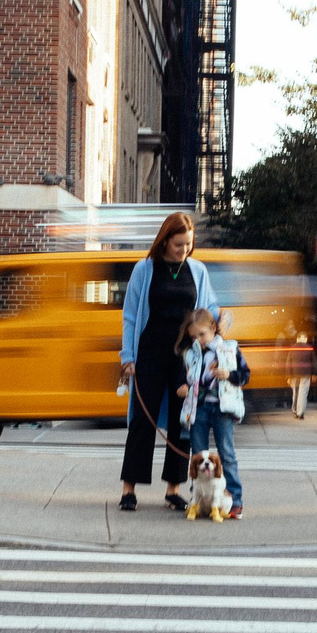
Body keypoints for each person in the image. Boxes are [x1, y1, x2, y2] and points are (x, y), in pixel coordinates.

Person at [118, 211, 217, 512]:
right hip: (149, 354)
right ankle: (129, 489)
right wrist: (127, 357)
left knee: (183, 421)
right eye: (178, 244)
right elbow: (130, 315)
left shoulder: (197, 270)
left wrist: (218, 323)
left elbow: (209, 308)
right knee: (142, 421)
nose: (184, 250)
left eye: (188, 244)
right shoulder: (144, 270)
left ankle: (173, 489)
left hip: (186, 359)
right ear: (164, 241)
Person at [179, 306, 246, 520]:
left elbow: (245, 375)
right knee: (198, 455)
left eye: (202, 334)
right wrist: (183, 387)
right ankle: (197, 499)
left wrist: (228, 374)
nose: (199, 340)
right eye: (194, 337)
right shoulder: (190, 355)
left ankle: (234, 500)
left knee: (227, 454)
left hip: (222, 408)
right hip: (198, 409)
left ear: (214, 329)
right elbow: (185, 378)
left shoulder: (230, 349)